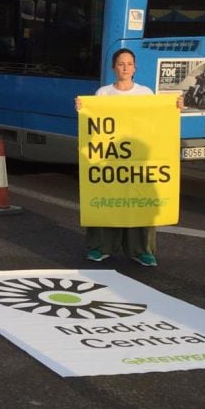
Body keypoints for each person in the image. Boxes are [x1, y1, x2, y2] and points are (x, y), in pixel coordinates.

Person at [76, 48, 181, 267]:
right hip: (110, 160)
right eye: (121, 64)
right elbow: (94, 125)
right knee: (106, 201)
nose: (125, 68)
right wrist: (83, 111)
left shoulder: (145, 93)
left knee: (140, 204)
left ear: (135, 68)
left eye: (129, 64)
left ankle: (142, 250)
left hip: (138, 160)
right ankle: (99, 247)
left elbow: (156, 122)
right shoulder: (103, 93)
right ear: (114, 67)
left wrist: (175, 108)